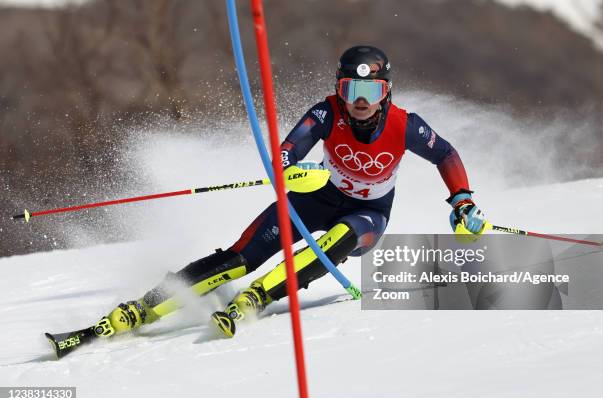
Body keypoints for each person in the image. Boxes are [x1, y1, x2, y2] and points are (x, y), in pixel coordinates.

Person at [94, 45, 486, 339]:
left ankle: (257, 297)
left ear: (387, 91)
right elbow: (291, 146)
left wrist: (462, 200)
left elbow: (446, 154)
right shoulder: (328, 112)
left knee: (341, 238)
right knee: (241, 257)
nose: (361, 101)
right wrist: (288, 167)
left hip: (368, 215)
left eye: (371, 90)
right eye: (351, 90)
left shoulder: (406, 126)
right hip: (317, 197)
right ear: (339, 90)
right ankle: (144, 308)